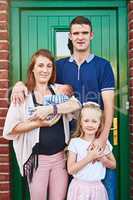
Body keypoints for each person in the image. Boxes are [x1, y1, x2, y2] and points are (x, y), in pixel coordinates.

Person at [11, 16, 116, 199]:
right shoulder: (59, 66)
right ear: (70, 36)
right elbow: (40, 80)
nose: (80, 37)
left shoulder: (103, 65)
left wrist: (102, 138)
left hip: (95, 138)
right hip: (67, 143)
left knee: (99, 189)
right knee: (73, 191)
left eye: (84, 33)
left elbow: (108, 106)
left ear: (91, 35)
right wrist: (19, 85)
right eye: (76, 33)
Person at [3, 49, 81, 200]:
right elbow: (11, 129)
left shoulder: (58, 91)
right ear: (33, 69)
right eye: (40, 66)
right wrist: (38, 123)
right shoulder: (22, 95)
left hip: (61, 160)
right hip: (37, 162)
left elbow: (76, 105)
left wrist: (52, 108)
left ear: (52, 70)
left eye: (48, 66)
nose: (44, 70)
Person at [67, 102, 116, 200]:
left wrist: (102, 159)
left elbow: (113, 165)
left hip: (97, 189)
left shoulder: (103, 143)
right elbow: (71, 169)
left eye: (94, 121)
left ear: (99, 124)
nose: (90, 124)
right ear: (81, 122)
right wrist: (90, 157)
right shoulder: (75, 142)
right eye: (86, 121)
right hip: (78, 188)